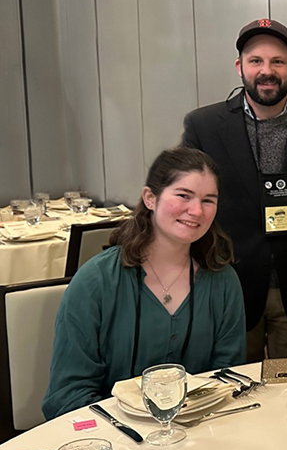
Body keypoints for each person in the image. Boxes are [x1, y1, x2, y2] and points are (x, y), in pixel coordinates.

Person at [182, 18, 287, 361]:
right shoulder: (203, 126)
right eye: (255, 61)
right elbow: (186, 198)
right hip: (228, 284)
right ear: (239, 67)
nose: (266, 70)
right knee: (234, 389)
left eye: (277, 61)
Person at [42, 147, 245, 419]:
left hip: (199, 435)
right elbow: (68, 395)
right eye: (184, 195)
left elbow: (226, 381)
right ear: (151, 198)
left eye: (208, 200)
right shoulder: (95, 282)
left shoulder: (223, 282)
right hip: (116, 437)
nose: (196, 211)